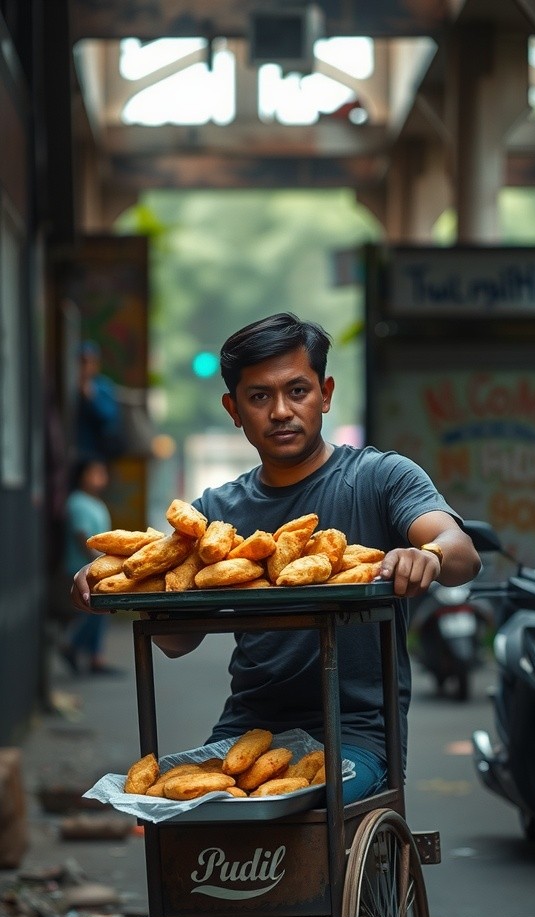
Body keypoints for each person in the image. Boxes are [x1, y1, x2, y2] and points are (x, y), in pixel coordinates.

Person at [72, 312, 481, 799]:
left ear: (325, 394)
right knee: (188, 820)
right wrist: (115, 582)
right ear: (234, 409)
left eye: (298, 391)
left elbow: (462, 553)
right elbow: (177, 641)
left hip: (355, 736)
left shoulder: (380, 478)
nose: (281, 411)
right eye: (259, 396)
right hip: (247, 727)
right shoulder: (213, 518)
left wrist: (429, 555)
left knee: (289, 807)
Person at [62, 458, 123, 675]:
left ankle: (91, 655)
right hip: (83, 568)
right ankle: (75, 647)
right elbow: (82, 536)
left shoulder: (95, 502)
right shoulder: (78, 502)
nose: (99, 479)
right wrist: (100, 564)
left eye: (101, 473)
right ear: (81, 476)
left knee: (98, 614)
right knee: (93, 611)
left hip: (97, 567)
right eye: (93, 473)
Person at [76, 340, 124, 461]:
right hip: (75, 450)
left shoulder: (103, 386)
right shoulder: (69, 386)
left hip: (97, 453)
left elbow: (110, 418)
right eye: (82, 362)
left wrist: (92, 398)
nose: (85, 367)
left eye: (89, 362)